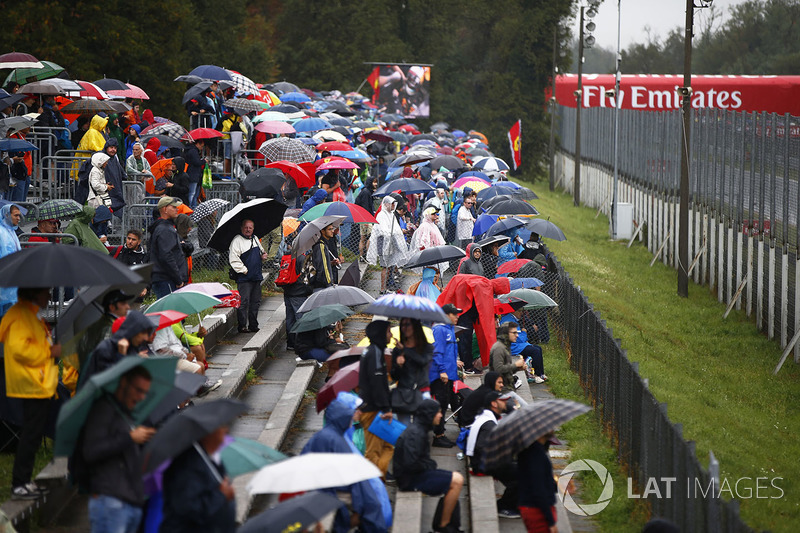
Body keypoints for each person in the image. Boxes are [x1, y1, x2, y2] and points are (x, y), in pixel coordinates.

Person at [0, 287, 61, 500]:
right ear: (34, 294)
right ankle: (20, 484)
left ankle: (24, 482)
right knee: (30, 435)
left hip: (39, 383)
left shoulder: (30, 315)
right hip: (30, 384)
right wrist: (48, 352)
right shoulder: (20, 316)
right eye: (46, 292)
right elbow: (19, 350)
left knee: (33, 435)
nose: (49, 296)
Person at [80, 365, 155, 533]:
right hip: (111, 500)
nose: (141, 397)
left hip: (130, 500)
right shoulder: (103, 409)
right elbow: (91, 451)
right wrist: (130, 438)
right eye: (138, 390)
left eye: (144, 392)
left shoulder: (128, 413)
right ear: (123, 383)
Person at [302, 398, 391, 532]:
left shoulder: (338, 434)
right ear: (344, 414)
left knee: (371, 502)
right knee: (370, 504)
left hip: (342, 484)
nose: (360, 413)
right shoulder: (330, 438)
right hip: (333, 488)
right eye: (356, 410)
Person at [393, 399, 464, 533]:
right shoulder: (415, 434)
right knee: (456, 480)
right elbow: (411, 463)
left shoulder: (420, 429)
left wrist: (429, 465)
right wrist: (430, 465)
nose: (441, 415)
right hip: (410, 479)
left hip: (416, 474)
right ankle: (443, 526)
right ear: (429, 414)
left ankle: (445, 524)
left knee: (456, 479)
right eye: (437, 412)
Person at [159, 420, 236, 532]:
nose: (226, 430)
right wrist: (221, 495)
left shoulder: (210, 460)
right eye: (222, 428)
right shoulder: (187, 466)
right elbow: (189, 508)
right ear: (209, 434)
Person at [465, 390, 520, 519]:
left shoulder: (487, 417)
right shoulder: (488, 424)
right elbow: (482, 446)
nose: (506, 403)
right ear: (494, 404)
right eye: (502, 401)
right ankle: (504, 507)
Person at [78, 310, 155, 390]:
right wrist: (121, 354)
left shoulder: (133, 348)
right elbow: (110, 381)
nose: (146, 338)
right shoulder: (106, 348)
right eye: (143, 333)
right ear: (133, 330)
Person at [358, 320, 395, 477]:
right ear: (380, 334)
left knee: (387, 446)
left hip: (375, 408)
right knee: (373, 452)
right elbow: (377, 384)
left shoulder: (374, 351)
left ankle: (379, 479)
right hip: (373, 410)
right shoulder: (374, 354)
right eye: (388, 331)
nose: (391, 335)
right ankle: (372, 487)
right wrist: (385, 409)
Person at [430, 304, 464, 445]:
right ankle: (438, 435)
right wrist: (442, 371)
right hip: (441, 375)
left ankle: (454, 428)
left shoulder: (449, 329)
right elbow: (437, 352)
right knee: (442, 403)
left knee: (451, 402)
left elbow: (448, 352)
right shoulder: (439, 329)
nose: (457, 317)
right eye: (454, 314)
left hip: (449, 374)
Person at [391, 318, 432, 430]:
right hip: (404, 393)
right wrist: (399, 366)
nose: (405, 328)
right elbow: (394, 376)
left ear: (415, 326)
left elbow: (423, 361)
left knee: (422, 427)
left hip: (422, 390)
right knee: (404, 429)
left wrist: (406, 350)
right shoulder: (397, 350)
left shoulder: (426, 347)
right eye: (402, 325)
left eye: (408, 324)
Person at [229, 219, 267, 333]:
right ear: (241, 228)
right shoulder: (237, 241)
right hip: (244, 278)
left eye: (250, 227)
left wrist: (263, 256)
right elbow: (234, 259)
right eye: (246, 227)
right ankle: (242, 326)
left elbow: (261, 253)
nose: (248, 229)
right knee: (243, 302)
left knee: (255, 302)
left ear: (253, 229)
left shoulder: (255, 239)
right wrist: (244, 271)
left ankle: (253, 325)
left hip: (256, 276)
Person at [518, 431, 559, 533]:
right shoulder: (536, 455)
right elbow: (539, 490)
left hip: (532, 507)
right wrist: (550, 521)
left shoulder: (532, 450)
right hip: (537, 512)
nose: (553, 428)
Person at [367, 195, 409, 294]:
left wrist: (397, 233)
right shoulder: (381, 215)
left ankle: (386, 286)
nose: (394, 206)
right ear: (386, 204)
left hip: (391, 242)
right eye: (392, 204)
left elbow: (395, 228)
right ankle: (382, 289)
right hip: (384, 243)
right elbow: (382, 230)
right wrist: (392, 233)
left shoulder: (391, 215)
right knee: (385, 266)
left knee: (390, 266)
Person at [148, 196, 188, 299]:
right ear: (165, 209)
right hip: (166, 279)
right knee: (169, 312)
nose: (177, 209)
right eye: (173, 207)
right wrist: (178, 279)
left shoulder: (164, 227)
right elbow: (166, 256)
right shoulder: (164, 229)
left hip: (165, 278)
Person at [500, 309, 547, 383]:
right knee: (535, 351)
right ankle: (536, 375)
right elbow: (518, 339)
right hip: (513, 347)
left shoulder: (510, 319)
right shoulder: (511, 321)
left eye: (522, 311)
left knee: (538, 348)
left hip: (515, 345)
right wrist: (524, 332)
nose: (521, 313)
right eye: (519, 311)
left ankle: (541, 373)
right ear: (513, 311)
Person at [490, 321, 525, 393]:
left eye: (517, 332)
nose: (517, 335)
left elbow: (506, 371)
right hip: (501, 390)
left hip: (507, 387)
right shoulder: (499, 348)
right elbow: (498, 370)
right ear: (505, 334)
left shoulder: (506, 346)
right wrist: (515, 365)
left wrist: (518, 368)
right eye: (514, 333)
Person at [0, 204, 21, 316]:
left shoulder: (12, 232)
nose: (18, 218)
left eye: (19, 215)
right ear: (6, 215)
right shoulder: (1, 232)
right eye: (16, 215)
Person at [310, 222, 340, 291]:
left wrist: (331, 263)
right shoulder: (321, 246)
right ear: (323, 231)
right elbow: (322, 267)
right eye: (330, 229)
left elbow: (323, 262)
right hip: (322, 286)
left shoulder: (324, 244)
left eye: (332, 229)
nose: (332, 231)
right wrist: (329, 283)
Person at [354, 176, 376, 261]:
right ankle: (367, 256)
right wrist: (367, 220)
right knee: (370, 237)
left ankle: (361, 256)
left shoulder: (366, 191)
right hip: (366, 219)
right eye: (374, 182)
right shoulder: (366, 193)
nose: (376, 184)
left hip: (362, 218)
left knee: (362, 238)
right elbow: (366, 206)